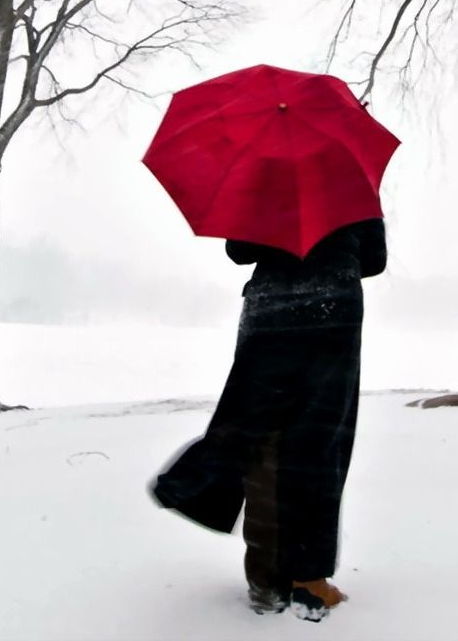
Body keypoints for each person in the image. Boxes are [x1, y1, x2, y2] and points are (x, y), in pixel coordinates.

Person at [150, 216, 386, 620]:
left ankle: (266, 578)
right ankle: (309, 582)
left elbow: (238, 251)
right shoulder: (353, 180)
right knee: (319, 440)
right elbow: (374, 260)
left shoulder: (263, 179)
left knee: (259, 430)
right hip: (334, 313)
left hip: (272, 310)